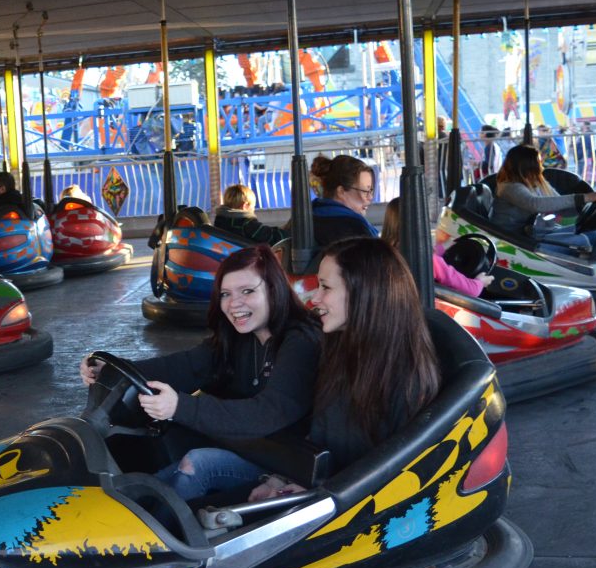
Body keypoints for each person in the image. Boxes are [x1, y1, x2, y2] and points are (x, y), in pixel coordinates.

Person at [79, 245, 321, 504]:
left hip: (286, 466)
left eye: (247, 291)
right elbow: (182, 367)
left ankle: (159, 533)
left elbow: (267, 412)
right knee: (159, 440)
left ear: (274, 290)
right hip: (245, 447)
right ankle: (123, 505)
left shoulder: (300, 341)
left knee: (200, 464)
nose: (234, 303)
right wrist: (113, 368)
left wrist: (180, 406)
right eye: (226, 294)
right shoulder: (238, 340)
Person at [250, 238, 441, 501]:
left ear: (365, 293)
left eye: (325, 287)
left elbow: (392, 477)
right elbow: (318, 438)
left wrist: (318, 491)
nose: (314, 299)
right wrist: (281, 480)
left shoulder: (407, 380)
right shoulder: (341, 348)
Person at [491, 144, 596, 255]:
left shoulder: (536, 183)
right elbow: (535, 204)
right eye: (539, 163)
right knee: (585, 240)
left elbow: (559, 205)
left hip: (533, 233)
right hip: (514, 241)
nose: (542, 167)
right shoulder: (509, 187)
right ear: (527, 165)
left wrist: (584, 206)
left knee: (594, 234)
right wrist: (585, 197)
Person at [381, 198, 492, 298]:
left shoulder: (384, 253)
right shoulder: (428, 259)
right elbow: (469, 290)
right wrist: (480, 282)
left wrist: (443, 247)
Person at [309, 154, 378, 245]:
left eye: (371, 190)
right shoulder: (355, 229)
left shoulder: (307, 217)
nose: (370, 198)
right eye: (365, 191)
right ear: (341, 191)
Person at [214, 184, 287, 245]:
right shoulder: (246, 223)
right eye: (253, 207)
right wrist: (288, 233)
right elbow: (270, 236)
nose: (253, 210)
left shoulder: (220, 219)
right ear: (245, 206)